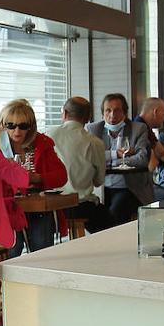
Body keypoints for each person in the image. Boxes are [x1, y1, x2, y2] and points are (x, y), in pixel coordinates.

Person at [0, 99, 68, 255]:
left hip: (36, 206)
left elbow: (62, 176)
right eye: (11, 125)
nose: (17, 131)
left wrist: (36, 178)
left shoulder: (41, 144)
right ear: (3, 125)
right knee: (11, 252)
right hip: (6, 208)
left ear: (31, 126)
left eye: (23, 126)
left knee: (41, 251)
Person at [49, 97, 114, 234]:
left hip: (52, 208)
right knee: (112, 226)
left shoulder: (47, 136)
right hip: (81, 206)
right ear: (88, 117)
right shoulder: (95, 142)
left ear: (65, 113)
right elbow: (99, 181)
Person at [87, 93, 153, 224]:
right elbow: (91, 158)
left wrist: (106, 159)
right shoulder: (94, 129)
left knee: (114, 213)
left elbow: (141, 159)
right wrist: (116, 154)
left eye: (117, 110)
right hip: (100, 188)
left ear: (125, 112)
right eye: (108, 110)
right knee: (89, 214)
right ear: (102, 113)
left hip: (130, 187)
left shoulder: (138, 128)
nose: (112, 115)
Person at [134, 97, 164, 202]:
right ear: (155, 112)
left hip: (143, 184)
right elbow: (152, 164)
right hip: (138, 187)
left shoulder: (143, 126)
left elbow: (161, 153)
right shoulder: (141, 128)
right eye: (163, 114)